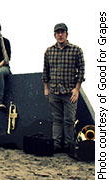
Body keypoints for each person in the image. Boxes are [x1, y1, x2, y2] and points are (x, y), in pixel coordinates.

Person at [42, 23, 85, 153]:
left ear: (67, 34)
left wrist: (77, 89)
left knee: (69, 120)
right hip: (54, 91)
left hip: (70, 92)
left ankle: (69, 146)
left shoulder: (76, 50)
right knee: (57, 119)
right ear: (54, 35)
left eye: (62, 32)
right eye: (58, 33)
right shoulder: (49, 51)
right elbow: (45, 71)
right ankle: (56, 144)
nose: (60, 35)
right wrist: (46, 88)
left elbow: (81, 71)